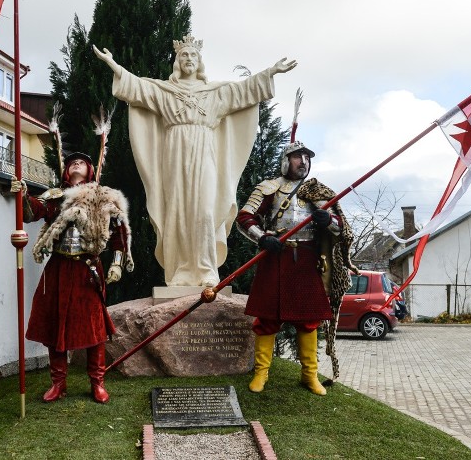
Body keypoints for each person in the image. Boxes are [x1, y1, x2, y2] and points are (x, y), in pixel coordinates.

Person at [93, 35, 296, 287]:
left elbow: (244, 91)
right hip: (174, 153)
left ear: (199, 62)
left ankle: (205, 268)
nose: (189, 59)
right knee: (178, 209)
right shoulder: (164, 92)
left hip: (205, 151)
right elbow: (137, 88)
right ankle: (181, 270)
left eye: (193, 55)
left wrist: (271, 72)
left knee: (204, 210)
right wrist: (114, 65)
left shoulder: (215, 93)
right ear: (178, 62)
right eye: (184, 55)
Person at [236, 142, 356, 395]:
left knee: (309, 321)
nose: (303, 161)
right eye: (297, 157)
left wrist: (328, 219)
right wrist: (262, 238)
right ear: (285, 161)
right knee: (267, 318)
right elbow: (244, 218)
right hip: (275, 257)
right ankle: (261, 374)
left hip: (307, 260)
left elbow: (340, 227)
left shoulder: (317, 192)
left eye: (307, 157)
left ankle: (309, 375)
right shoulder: (269, 188)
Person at [11, 152, 132, 404]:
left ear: (90, 170)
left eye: (82, 162)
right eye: (72, 162)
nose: (76, 163)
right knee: (54, 323)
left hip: (88, 269)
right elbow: (32, 212)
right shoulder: (56, 197)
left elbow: (120, 235)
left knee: (94, 327)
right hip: (58, 268)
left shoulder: (104, 197)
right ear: (67, 171)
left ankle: (97, 383)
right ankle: (58, 384)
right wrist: (22, 195)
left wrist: (117, 264)